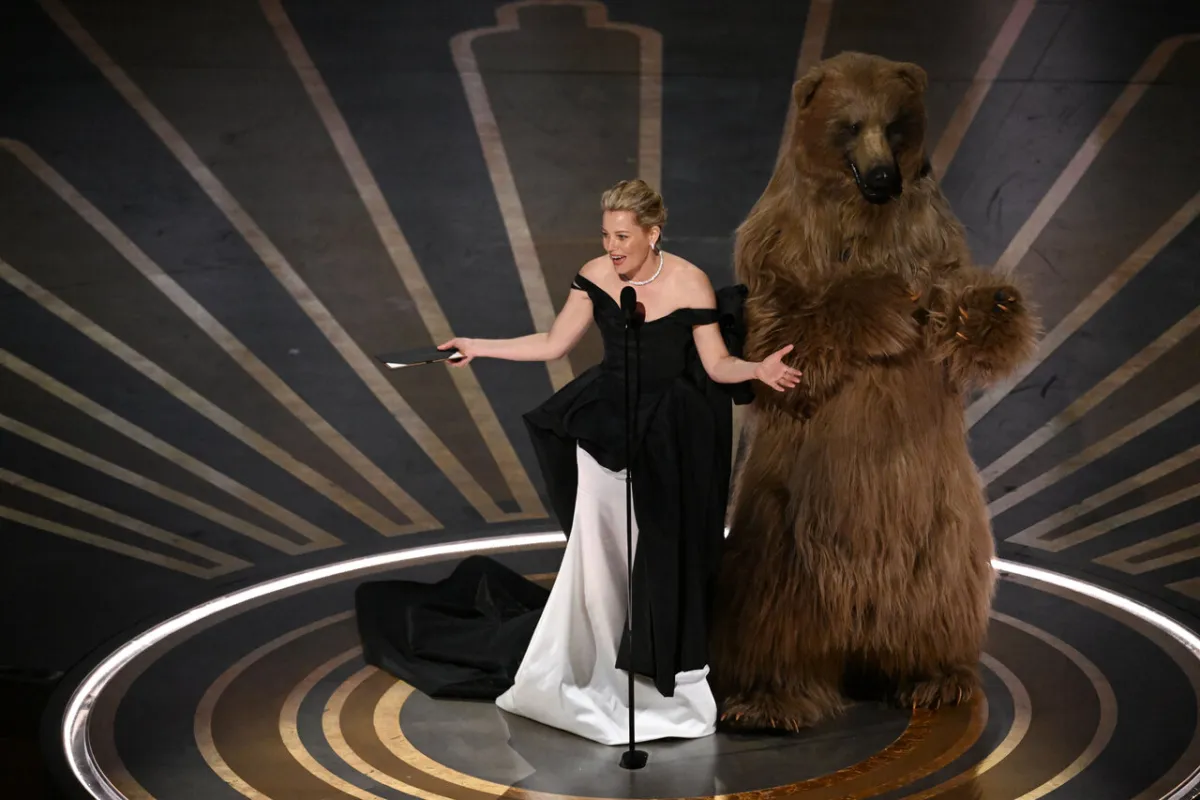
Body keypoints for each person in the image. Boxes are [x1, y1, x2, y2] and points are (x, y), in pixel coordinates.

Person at [354, 179, 800, 746]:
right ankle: (597, 666)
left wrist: (757, 370)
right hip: (605, 432)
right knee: (602, 556)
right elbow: (552, 343)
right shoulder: (595, 275)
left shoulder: (689, 282)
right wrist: (479, 346)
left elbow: (715, 365)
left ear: (653, 234)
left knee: (658, 553)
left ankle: (653, 667)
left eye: (623, 236)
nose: (612, 247)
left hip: (667, 438)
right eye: (606, 235)